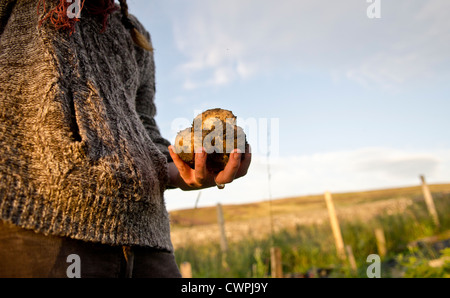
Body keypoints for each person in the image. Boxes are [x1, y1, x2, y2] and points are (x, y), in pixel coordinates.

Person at [0, 0, 251, 278]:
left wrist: (182, 171)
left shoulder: (134, 31)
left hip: (148, 236)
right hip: (44, 224)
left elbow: (145, 127)